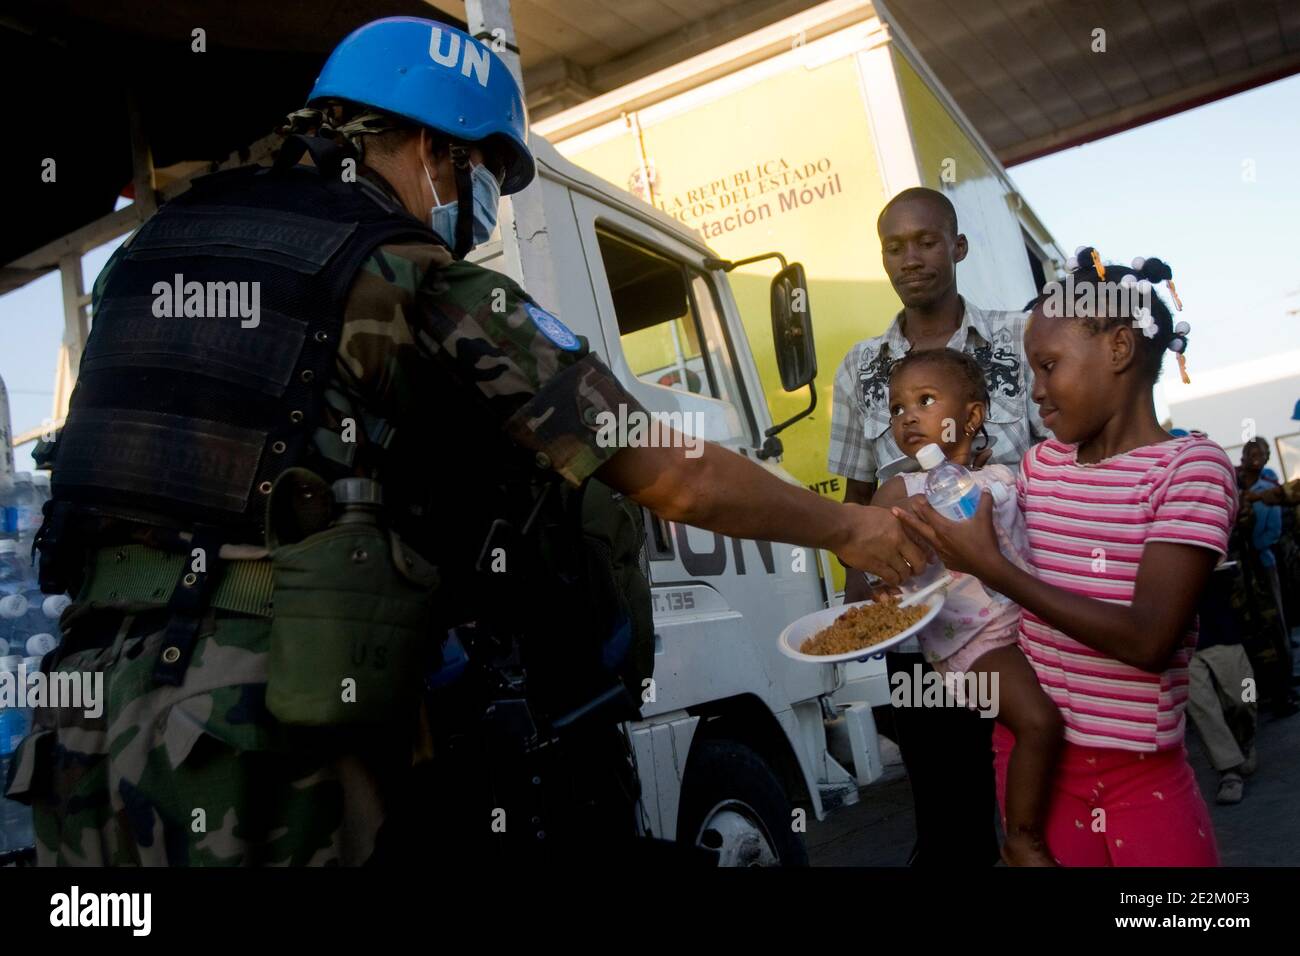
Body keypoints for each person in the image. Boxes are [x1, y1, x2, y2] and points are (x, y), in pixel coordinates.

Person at [5, 18, 927, 866]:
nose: (479, 201)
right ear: (428, 147)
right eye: (480, 171)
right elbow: (665, 474)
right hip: (254, 732)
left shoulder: (146, 259)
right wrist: (847, 530)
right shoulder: (410, 272)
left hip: (82, 723)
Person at [897, 249, 1236, 866]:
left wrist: (995, 567)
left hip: (1142, 776)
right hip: (1035, 767)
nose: (1037, 391)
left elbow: (1148, 640)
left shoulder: (1189, 469)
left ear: (1119, 350)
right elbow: (957, 507)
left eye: (1049, 366)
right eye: (1032, 369)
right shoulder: (1039, 467)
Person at [827, 186, 1046, 866]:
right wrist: (859, 607)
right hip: (923, 641)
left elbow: (1063, 460)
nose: (910, 258)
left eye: (926, 241)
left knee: (1045, 786)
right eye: (895, 246)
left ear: (958, 247)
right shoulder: (862, 369)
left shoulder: (1019, 338)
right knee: (950, 823)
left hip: (1030, 619)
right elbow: (858, 503)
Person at [872, 349, 1061, 865]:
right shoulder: (898, 489)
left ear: (973, 415)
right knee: (1039, 723)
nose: (907, 417)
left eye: (925, 401)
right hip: (974, 643)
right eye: (895, 408)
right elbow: (880, 571)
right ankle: (1021, 838)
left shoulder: (1004, 477)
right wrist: (882, 591)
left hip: (1033, 625)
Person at [1187, 557, 1257, 805]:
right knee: (1203, 710)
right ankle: (1228, 771)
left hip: (1224, 632)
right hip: (1183, 641)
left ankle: (1246, 740)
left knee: (1245, 697)